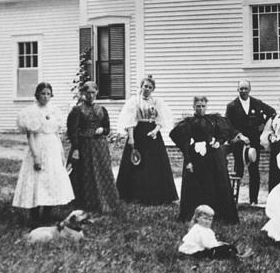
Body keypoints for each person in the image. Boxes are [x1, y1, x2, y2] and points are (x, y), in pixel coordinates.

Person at [170, 96, 248, 224]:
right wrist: (189, 156)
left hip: (212, 156)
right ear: (193, 107)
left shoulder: (214, 119)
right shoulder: (189, 122)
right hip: (196, 156)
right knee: (196, 184)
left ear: (206, 106)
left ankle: (216, 214)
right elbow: (178, 138)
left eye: (203, 106)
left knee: (214, 183)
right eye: (198, 106)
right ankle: (194, 214)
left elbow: (225, 132)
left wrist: (218, 141)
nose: (201, 109)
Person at [13, 82, 74, 228]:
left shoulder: (54, 111)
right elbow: (31, 136)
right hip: (39, 147)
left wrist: (61, 153)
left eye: (48, 93)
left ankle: (47, 214)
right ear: (37, 95)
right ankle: (35, 216)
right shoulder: (31, 112)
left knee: (51, 181)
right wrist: (36, 156)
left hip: (52, 148)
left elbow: (56, 134)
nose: (45, 97)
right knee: (37, 180)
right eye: (42, 93)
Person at [115, 75, 178, 205]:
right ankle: (133, 195)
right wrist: (131, 138)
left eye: (150, 87)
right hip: (138, 133)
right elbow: (130, 120)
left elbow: (162, 119)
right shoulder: (134, 101)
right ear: (141, 86)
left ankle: (156, 195)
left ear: (153, 89)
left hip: (152, 136)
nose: (147, 89)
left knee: (154, 164)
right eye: (145, 86)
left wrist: (155, 130)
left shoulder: (156, 102)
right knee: (137, 163)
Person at [65, 81, 119, 214]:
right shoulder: (77, 110)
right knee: (84, 174)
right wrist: (76, 148)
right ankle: (84, 203)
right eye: (87, 93)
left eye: (93, 93)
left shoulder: (102, 109)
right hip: (84, 146)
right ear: (83, 94)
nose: (90, 96)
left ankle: (104, 201)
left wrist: (103, 130)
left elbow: (107, 128)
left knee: (102, 173)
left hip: (100, 147)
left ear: (97, 93)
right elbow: (72, 131)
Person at [224, 80, 275, 206]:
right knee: (239, 169)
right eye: (241, 89)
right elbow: (227, 124)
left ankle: (253, 200)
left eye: (246, 88)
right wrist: (239, 136)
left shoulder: (257, 103)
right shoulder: (232, 106)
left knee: (254, 170)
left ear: (250, 89)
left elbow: (272, 112)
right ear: (238, 90)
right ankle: (234, 200)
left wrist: (264, 127)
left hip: (254, 141)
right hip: (239, 143)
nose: (243, 91)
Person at [178, 205, 245, 260]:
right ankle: (232, 255)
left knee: (225, 246)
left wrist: (218, 243)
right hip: (196, 250)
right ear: (197, 218)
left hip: (204, 248)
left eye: (210, 220)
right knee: (219, 251)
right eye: (205, 218)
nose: (207, 221)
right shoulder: (197, 229)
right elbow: (206, 244)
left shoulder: (207, 230)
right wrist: (217, 245)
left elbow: (211, 241)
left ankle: (236, 253)